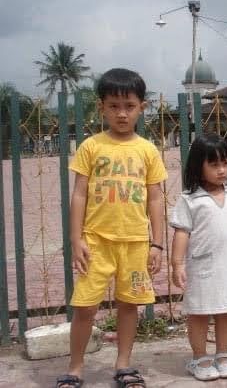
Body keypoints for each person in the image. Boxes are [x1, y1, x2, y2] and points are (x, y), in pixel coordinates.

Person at [56, 68, 168, 388]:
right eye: (114, 106)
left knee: (129, 304)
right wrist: (76, 239)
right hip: (96, 240)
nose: (122, 113)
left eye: (129, 106)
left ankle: (123, 365)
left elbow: (157, 200)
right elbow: (79, 194)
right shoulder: (91, 147)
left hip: (135, 242)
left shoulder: (147, 150)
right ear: (101, 107)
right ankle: (75, 368)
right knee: (85, 306)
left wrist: (157, 244)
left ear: (141, 108)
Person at [170, 133, 227, 381]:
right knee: (198, 314)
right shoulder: (190, 200)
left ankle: (223, 355)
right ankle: (200, 358)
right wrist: (177, 264)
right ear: (198, 167)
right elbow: (181, 233)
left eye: (225, 163)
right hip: (201, 268)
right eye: (214, 164)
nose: (221, 170)